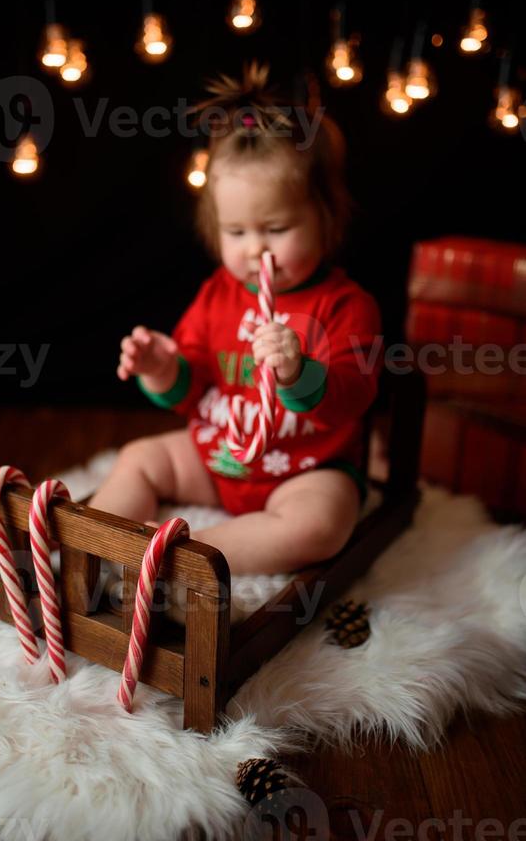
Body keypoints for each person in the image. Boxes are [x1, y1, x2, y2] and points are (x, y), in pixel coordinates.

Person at [90, 62, 383, 575]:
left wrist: (297, 372)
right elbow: (190, 387)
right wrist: (162, 368)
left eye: (275, 227)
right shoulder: (218, 294)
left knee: (320, 525)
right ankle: (87, 554)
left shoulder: (347, 305)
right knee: (140, 456)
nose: (256, 250)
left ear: (326, 218)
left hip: (304, 466)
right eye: (237, 232)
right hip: (220, 456)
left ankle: (179, 561)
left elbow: (351, 398)